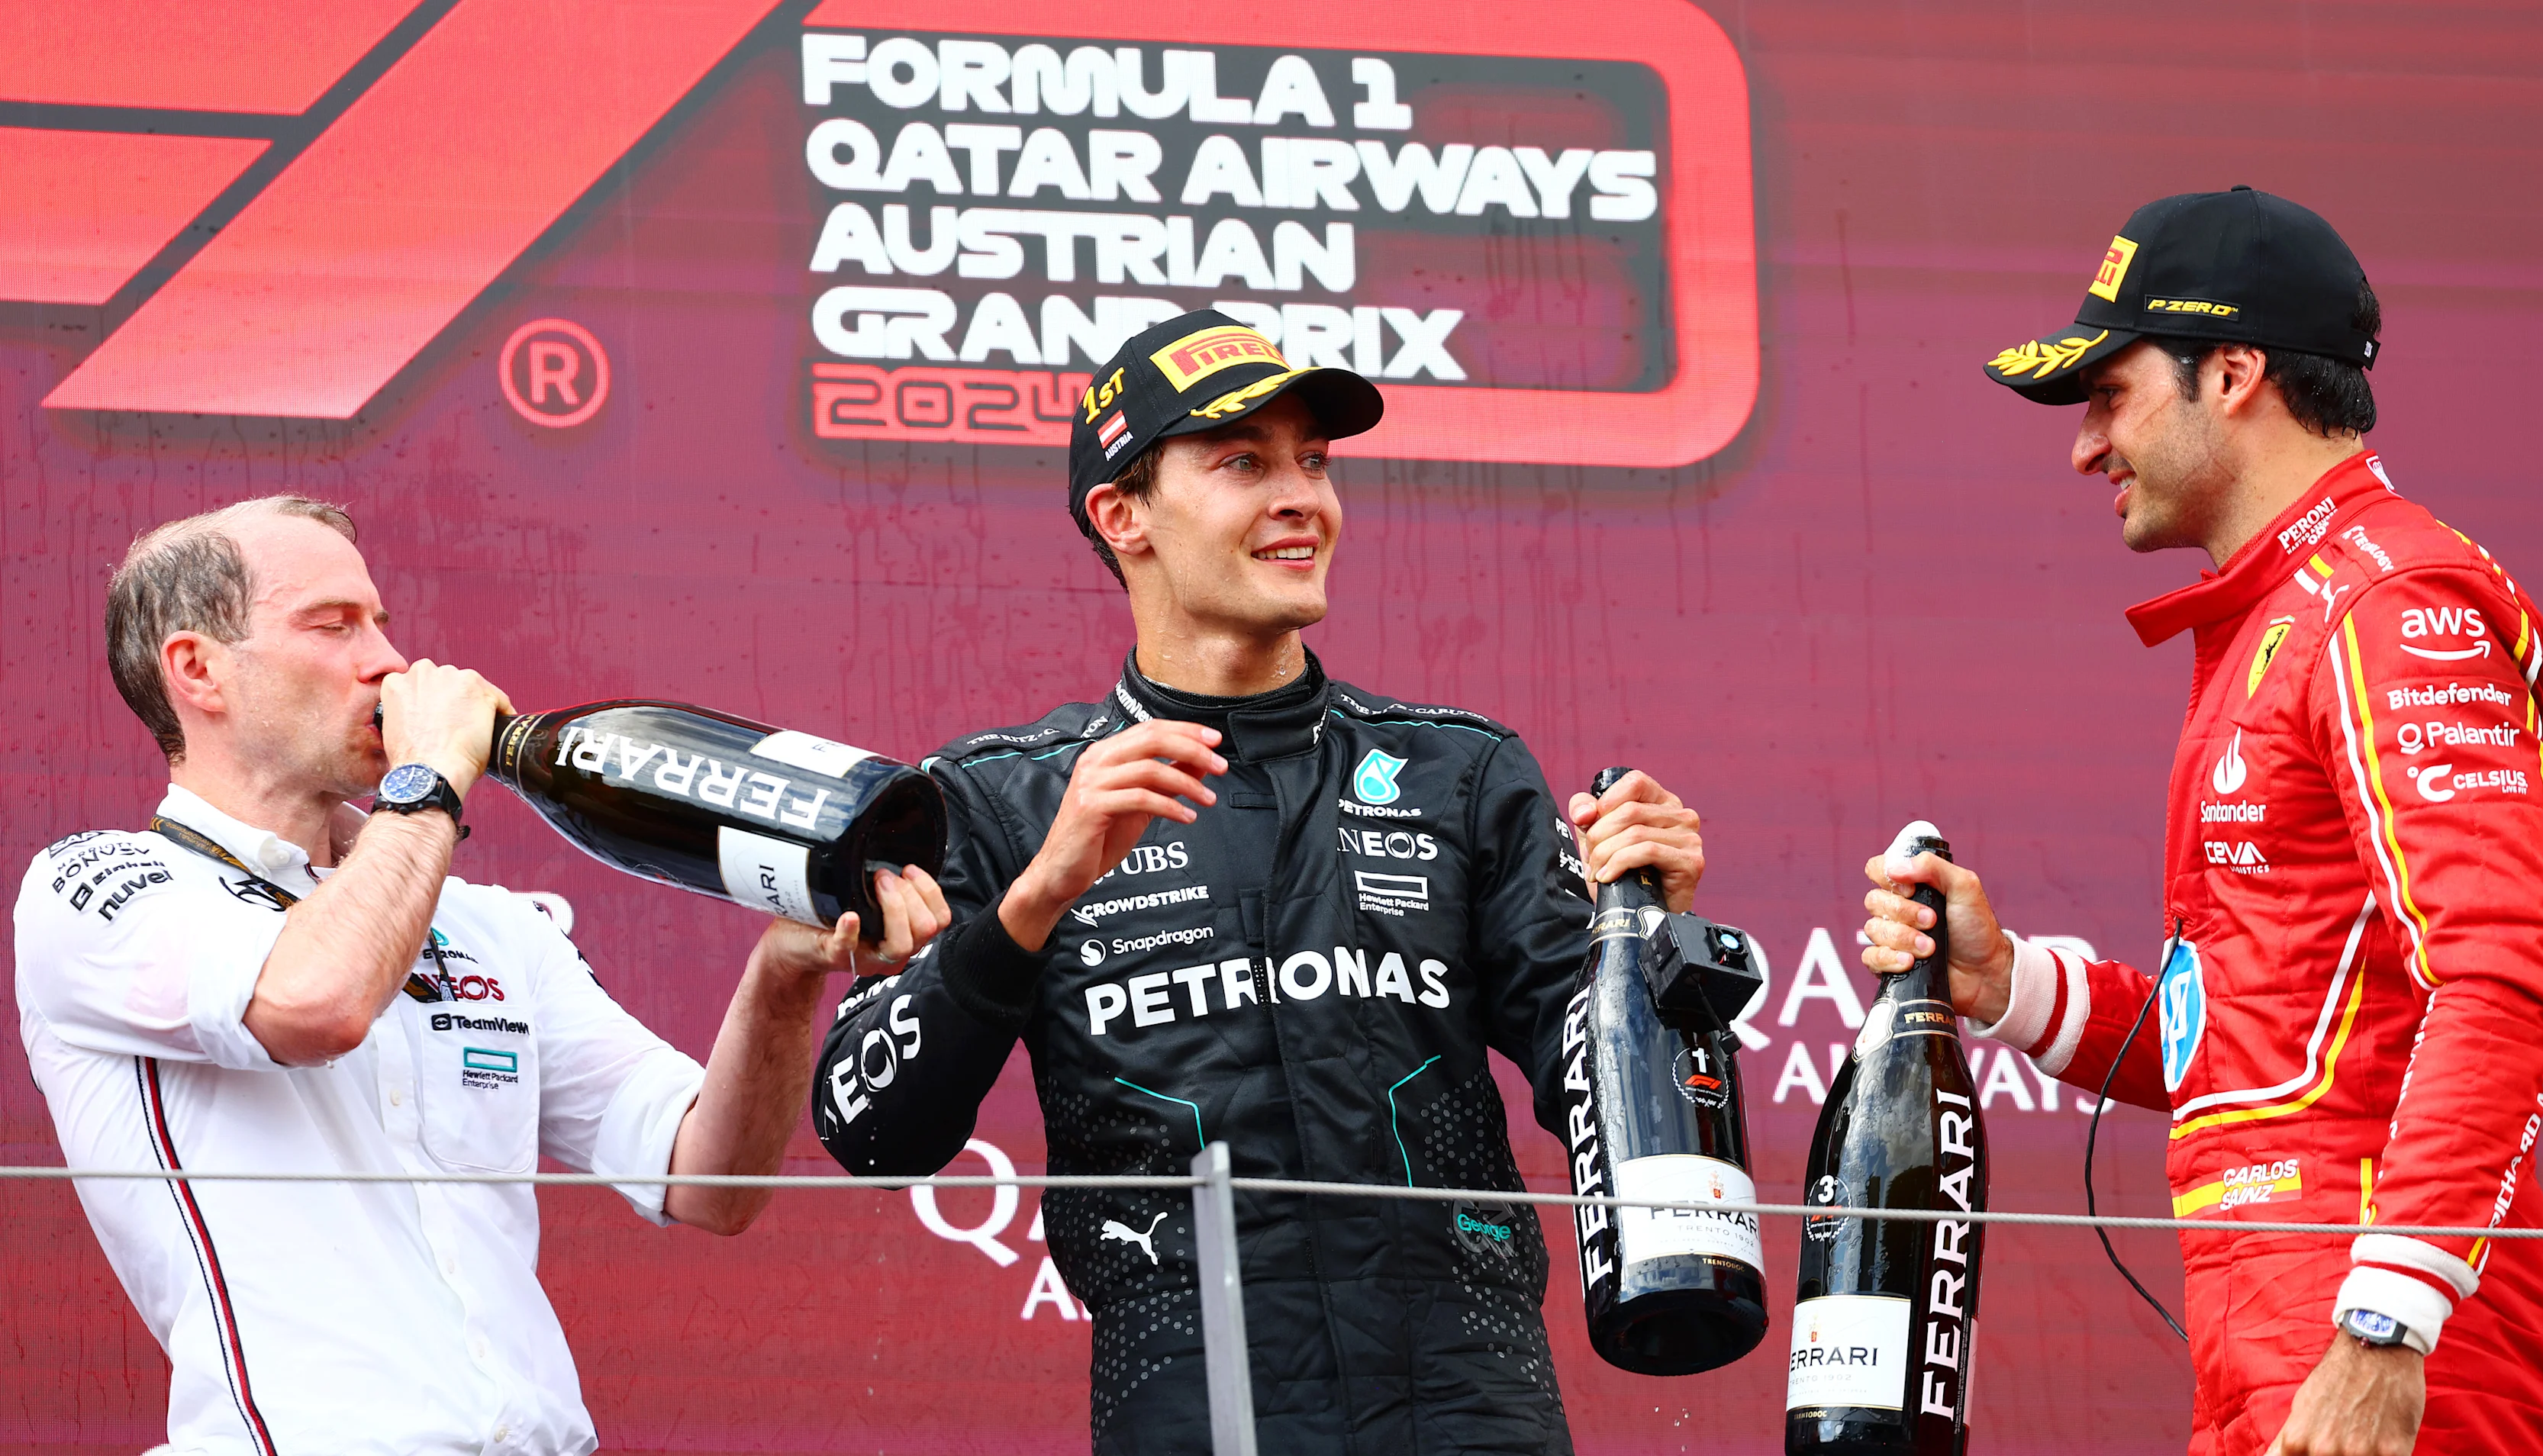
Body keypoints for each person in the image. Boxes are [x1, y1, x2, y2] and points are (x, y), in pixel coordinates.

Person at [810, 311, 1708, 1453]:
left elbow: (1596, 1088)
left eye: (1314, 462)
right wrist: (1039, 897)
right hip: (1190, 1409)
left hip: (1474, 1405)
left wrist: (1651, 940)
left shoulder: (1462, 770)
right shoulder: (1001, 802)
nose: (1303, 499)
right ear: (1120, 514)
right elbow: (869, 1129)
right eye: (1244, 463)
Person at [1862, 188, 2543, 1455]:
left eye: (2110, 392)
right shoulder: (2283, 616)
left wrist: (2387, 1323)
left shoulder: (2387, 601)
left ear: (2234, 372)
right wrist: (2009, 983)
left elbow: (2504, 974)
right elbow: (2268, 1034)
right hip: (2278, 1330)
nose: (2086, 446)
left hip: (2395, 1349)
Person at [14, 497, 949, 1456]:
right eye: (333, 626)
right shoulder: (100, 889)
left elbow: (709, 1183)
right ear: (198, 671)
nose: (389, 661)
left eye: (381, 621)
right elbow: (315, 1002)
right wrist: (426, 784)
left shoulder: (491, 926)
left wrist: (784, 975)